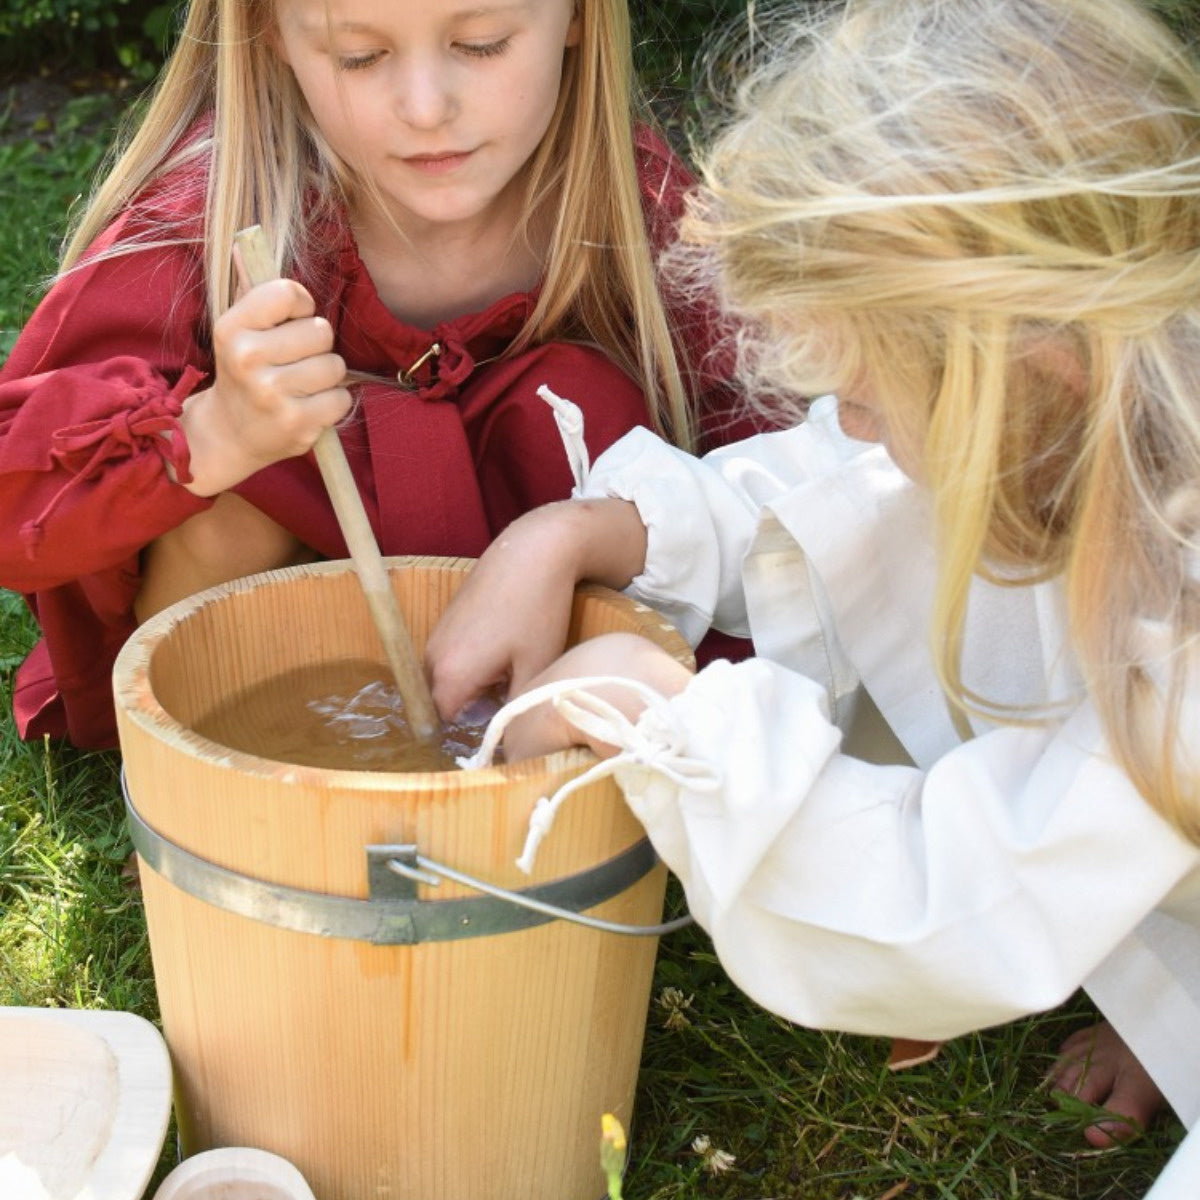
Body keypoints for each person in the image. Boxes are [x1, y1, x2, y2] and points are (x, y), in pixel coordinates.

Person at [425, 0, 1200, 1156]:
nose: (850, 421)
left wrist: (661, 713)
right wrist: (576, 533)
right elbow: (844, 488)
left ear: (1035, 372)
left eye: (873, 395)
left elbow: (943, 912)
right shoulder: (1092, 399)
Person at [0, 0, 753, 750]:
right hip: (266, 680)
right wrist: (215, 433)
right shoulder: (211, 214)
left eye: (482, 44)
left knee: (593, 407)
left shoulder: (638, 210)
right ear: (270, 33)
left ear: (581, 15)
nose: (426, 109)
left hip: (546, 651)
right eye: (359, 56)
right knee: (235, 497)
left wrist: (579, 536)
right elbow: (17, 496)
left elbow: (781, 486)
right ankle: (226, 761)